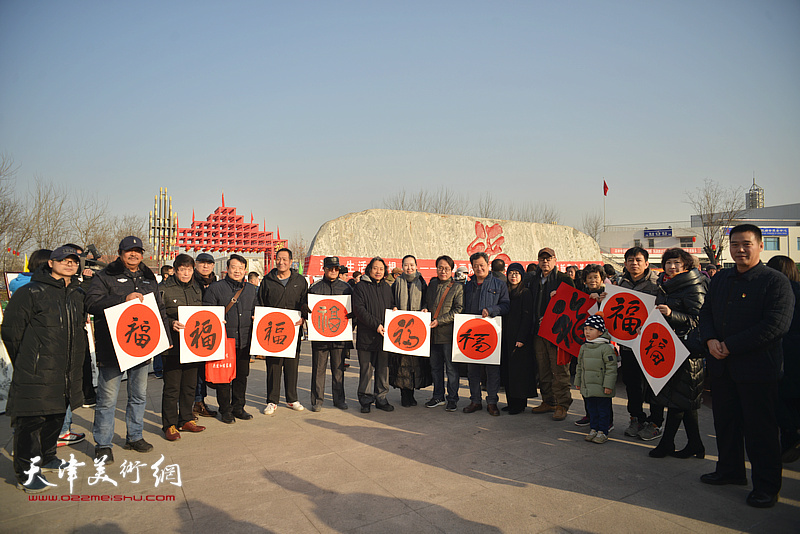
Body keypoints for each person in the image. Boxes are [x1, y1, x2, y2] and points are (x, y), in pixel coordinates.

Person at [699, 224, 794, 508]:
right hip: (722, 368)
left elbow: (776, 324)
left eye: (746, 244)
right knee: (726, 423)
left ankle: (766, 487)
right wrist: (711, 339)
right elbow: (707, 313)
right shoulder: (721, 279)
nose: (740, 249)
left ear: (760, 246)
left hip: (757, 371)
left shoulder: (775, 281)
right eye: (735, 244)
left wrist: (731, 345)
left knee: (760, 431)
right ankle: (730, 471)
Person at [2, 246, 87, 493]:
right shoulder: (31, 292)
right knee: (31, 422)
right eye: (64, 260)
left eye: (74, 261)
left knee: (56, 415)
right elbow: (11, 333)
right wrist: (30, 359)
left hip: (66, 369)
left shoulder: (77, 293)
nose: (70, 264)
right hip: (37, 369)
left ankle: (48, 457)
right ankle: (26, 473)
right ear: (51, 263)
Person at [85, 236, 167, 464]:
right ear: (120, 253)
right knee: (107, 398)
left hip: (141, 347)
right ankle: (103, 444)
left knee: (139, 395)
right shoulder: (105, 276)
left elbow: (158, 310)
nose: (134, 255)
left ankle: (135, 436)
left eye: (138, 251)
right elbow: (91, 304)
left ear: (142, 254)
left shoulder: (150, 277)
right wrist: (123, 299)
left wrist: (165, 338)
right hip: (113, 349)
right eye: (129, 251)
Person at [649, 248, 707, 459]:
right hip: (669, 348)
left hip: (687, 352)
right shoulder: (666, 287)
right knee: (685, 401)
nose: (672, 266)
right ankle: (696, 445)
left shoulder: (694, 287)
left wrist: (673, 314)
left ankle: (667, 444)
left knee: (678, 400)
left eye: (676, 263)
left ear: (687, 265)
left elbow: (699, 321)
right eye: (668, 263)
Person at [616, 247, 664, 440]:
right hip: (628, 345)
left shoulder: (657, 285)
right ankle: (636, 417)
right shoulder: (621, 284)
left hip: (650, 345)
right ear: (625, 263)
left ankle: (655, 422)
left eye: (638, 260)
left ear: (646, 263)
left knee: (653, 385)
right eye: (630, 260)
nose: (634, 263)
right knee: (632, 384)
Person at [204, 254, 257, 423]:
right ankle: (225, 410)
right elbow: (207, 313)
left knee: (242, 376)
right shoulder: (216, 288)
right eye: (234, 267)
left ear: (245, 271)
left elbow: (257, 310)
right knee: (224, 377)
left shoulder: (250, 289)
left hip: (244, 340)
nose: (237, 271)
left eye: (241, 268)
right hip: (224, 341)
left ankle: (239, 407)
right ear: (227, 268)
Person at [158, 254, 206, 440]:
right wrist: (171, 323)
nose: (186, 273)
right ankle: (169, 424)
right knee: (172, 387)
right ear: (175, 270)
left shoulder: (197, 288)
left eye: (189, 269)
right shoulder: (163, 289)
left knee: (189, 385)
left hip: (193, 344)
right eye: (182, 270)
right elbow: (156, 315)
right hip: (172, 345)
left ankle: (186, 419)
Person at [257, 248, 308, 414]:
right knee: (273, 366)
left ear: (291, 261)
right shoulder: (267, 280)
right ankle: (272, 401)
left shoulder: (300, 281)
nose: (281, 262)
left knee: (292, 366)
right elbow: (261, 302)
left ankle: (292, 399)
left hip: (293, 329)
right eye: (278, 259)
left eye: (285, 259)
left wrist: (304, 317)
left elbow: (304, 302)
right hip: (272, 331)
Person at [528, 247, 574, 421]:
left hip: (557, 333)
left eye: (548, 259)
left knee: (559, 370)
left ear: (555, 260)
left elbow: (572, 306)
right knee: (543, 369)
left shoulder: (563, 280)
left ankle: (562, 404)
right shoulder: (533, 280)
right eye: (542, 259)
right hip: (538, 333)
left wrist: (551, 319)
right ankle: (548, 401)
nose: (545, 262)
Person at [462, 252, 510, 416]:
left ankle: (492, 402)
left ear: (488, 265)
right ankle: (475, 400)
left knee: (492, 371)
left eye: (482, 265)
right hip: (471, 333)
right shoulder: (468, 286)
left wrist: (491, 310)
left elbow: (505, 306)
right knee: (472, 370)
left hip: (490, 333)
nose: (479, 268)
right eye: (475, 266)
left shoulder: (499, 284)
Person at [765, 255, 800, 463]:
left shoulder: (775, 292)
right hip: (796, 351)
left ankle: (789, 437)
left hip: (781, 350)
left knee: (780, 397)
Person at [307, 256, 351, 411]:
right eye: (330, 268)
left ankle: (339, 399)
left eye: (336, 269)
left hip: (340, 336)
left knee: (338, 369)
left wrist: (351, 323)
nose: (333, 271)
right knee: (318, 369)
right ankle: (317, 400)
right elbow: (308, 311)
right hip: (320, 336)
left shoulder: (346, 288)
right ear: (324, 269)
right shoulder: (315, 288)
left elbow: (353, 310)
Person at [352, 256, 395, 413]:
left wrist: (395, 310)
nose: (378, 271)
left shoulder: (386, 287)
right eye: (375, 268)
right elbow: (359, 310)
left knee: (383, 368)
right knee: (366, 369)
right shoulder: (360, 287)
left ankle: (381, 398)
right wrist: (376, 324)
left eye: (381, 269)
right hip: (366, 336)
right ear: (369, 269)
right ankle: (365, 399)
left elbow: (391, 305)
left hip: (384, 336)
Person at [573, 264, 614, 429]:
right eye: (589, 277)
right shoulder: (581, 293)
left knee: (602, 383)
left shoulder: (608, 294)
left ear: (601, 278)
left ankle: (607, 421)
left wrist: (601, 301)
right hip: (584, 345)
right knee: (587, 382)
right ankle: (590, 415)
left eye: (595, 277)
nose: (592, 280)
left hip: (602, 346)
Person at [389, 255, 432, 407]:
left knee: (414, 365)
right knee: (401, 364)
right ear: (402, 266)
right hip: (400, 329)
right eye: (406, 265)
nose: (409, 268)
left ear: (416, 266)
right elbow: (391, 299)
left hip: (415, 329)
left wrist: (425, 307)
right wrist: (394, 306)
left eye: (412, 265)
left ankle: (411, 393)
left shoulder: (421, 282)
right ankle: (404, 395)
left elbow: (427, 299)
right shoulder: (397, 282)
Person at [424, 255, 464, 412]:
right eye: (440, 268)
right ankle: (438, 396)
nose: (443, 271)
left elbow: (459, 309)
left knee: (451, 369)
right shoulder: (432, 284)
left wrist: (440, 321)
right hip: (432, 335)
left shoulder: (457, 287)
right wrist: (425, 308)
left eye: (447, 268)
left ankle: (452, 398)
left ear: (452, 269)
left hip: (448, 335)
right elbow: (427, 302)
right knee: (435, 368)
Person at [500, 263, 537, 414]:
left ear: (521, 276)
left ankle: (520, 404)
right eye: (511, 273)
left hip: (520, 339)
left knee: (519, 372)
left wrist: (522, 337)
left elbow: (527, 317)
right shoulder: (505, 292)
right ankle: (511, 402)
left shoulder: (525, 293)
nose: (513, 276)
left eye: (517, 273)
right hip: (506, 338)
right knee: (508, 371)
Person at [575, 314, 617, 444]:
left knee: (603, 411)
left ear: (600, 332)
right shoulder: (584, 347)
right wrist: (578, 382)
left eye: (591, 329)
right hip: (588, 387)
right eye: (585, 329)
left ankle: (603, 432)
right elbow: (579, 366)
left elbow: (611, 369)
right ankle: (593, 429)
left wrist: (608, 385)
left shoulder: (606, 348)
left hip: (602, 388)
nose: (587, 332)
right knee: (592, 410)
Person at [192, 252, 219, 419]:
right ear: (196, 264)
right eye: (202, 263)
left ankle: (200, 401)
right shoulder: (191, 282)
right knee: (194, 371)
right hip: (194, 331)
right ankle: (195, 402)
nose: (205, 266)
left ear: (213, 266)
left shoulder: (217, 284)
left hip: (211, 331)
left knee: (205, 370)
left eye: (209, 263)